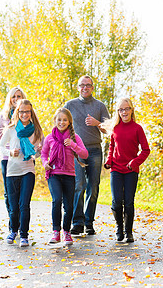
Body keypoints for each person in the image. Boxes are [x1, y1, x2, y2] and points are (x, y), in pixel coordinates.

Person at [64, 75, 110, 235]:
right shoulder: (70, 105)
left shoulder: (100, 106)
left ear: (92, 87)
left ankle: (89, 222)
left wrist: (98, 124)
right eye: (82, 85)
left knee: (93, 186)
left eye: (88, 85)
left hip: (95, 150)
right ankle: (77, 222)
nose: (85, 88)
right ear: (78, 87)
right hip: (76, 151)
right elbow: (62, 124)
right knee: (79, 185)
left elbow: (109, 129)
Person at [103, 98, 150, 242]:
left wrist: (135, 162)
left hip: (131, 170)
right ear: (118, 112)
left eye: (127, 109)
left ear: (131, 110)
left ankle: (128, 231)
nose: (124, 112)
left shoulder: (137, 128)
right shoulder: (115, 128)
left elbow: (146, 150)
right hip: (116, 169)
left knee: (128, 202)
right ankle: (119, 228)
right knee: (117, 202)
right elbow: (112, 146)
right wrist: (109, 159)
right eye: (121, 109)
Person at [0, 99, 44, 247]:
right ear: (17, 112)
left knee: (24, 204)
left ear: (31, 113)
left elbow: (36, 154)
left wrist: (37, 152)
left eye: (27, 111)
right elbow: (0, 147)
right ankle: (13, 230)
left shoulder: (36, 130)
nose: (24, 114)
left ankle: (24, 235)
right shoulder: (11, 129)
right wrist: (10, 152)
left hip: (28, 170)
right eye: (22, 111)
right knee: (14, 205)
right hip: (12, 171)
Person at [41, 108, 88, 246]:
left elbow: (85, 154)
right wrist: (45, 163)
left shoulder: (74, 138)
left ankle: (66, 232)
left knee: (68, 206)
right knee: (56, 200)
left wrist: (73, 145)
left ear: (69, 122)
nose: (62, 122)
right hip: (54, 174)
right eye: (59, 119)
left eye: (64, 120)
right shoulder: (49, 138)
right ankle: (56, 232)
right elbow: (44, 154)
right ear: (55, 121)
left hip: (69, 175)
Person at [0, 87, 27, 230]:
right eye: (13, 96)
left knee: (20, 192)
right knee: (9, 192)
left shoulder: (27, 114)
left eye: (19, 96)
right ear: (10, 99)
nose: (16, 99)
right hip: (6, 157)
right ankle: (13, 221)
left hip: (23, 156)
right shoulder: (4, 116)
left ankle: (18, 221)